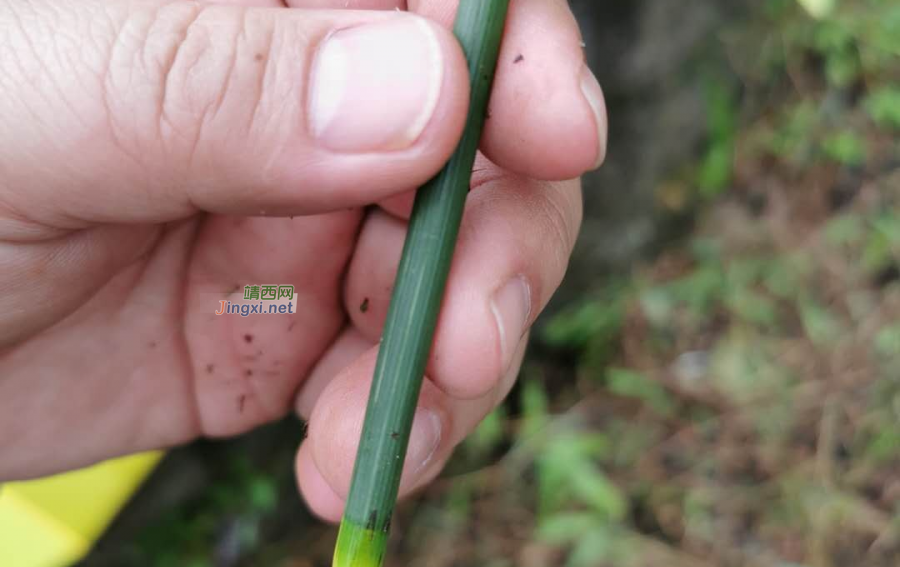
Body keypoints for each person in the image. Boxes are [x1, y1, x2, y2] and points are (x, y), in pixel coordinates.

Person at [0, 0, 606, 523]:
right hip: (228, 299)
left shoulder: (232, 298)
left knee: (283, 302)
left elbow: (239, 301)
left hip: (227, 299)